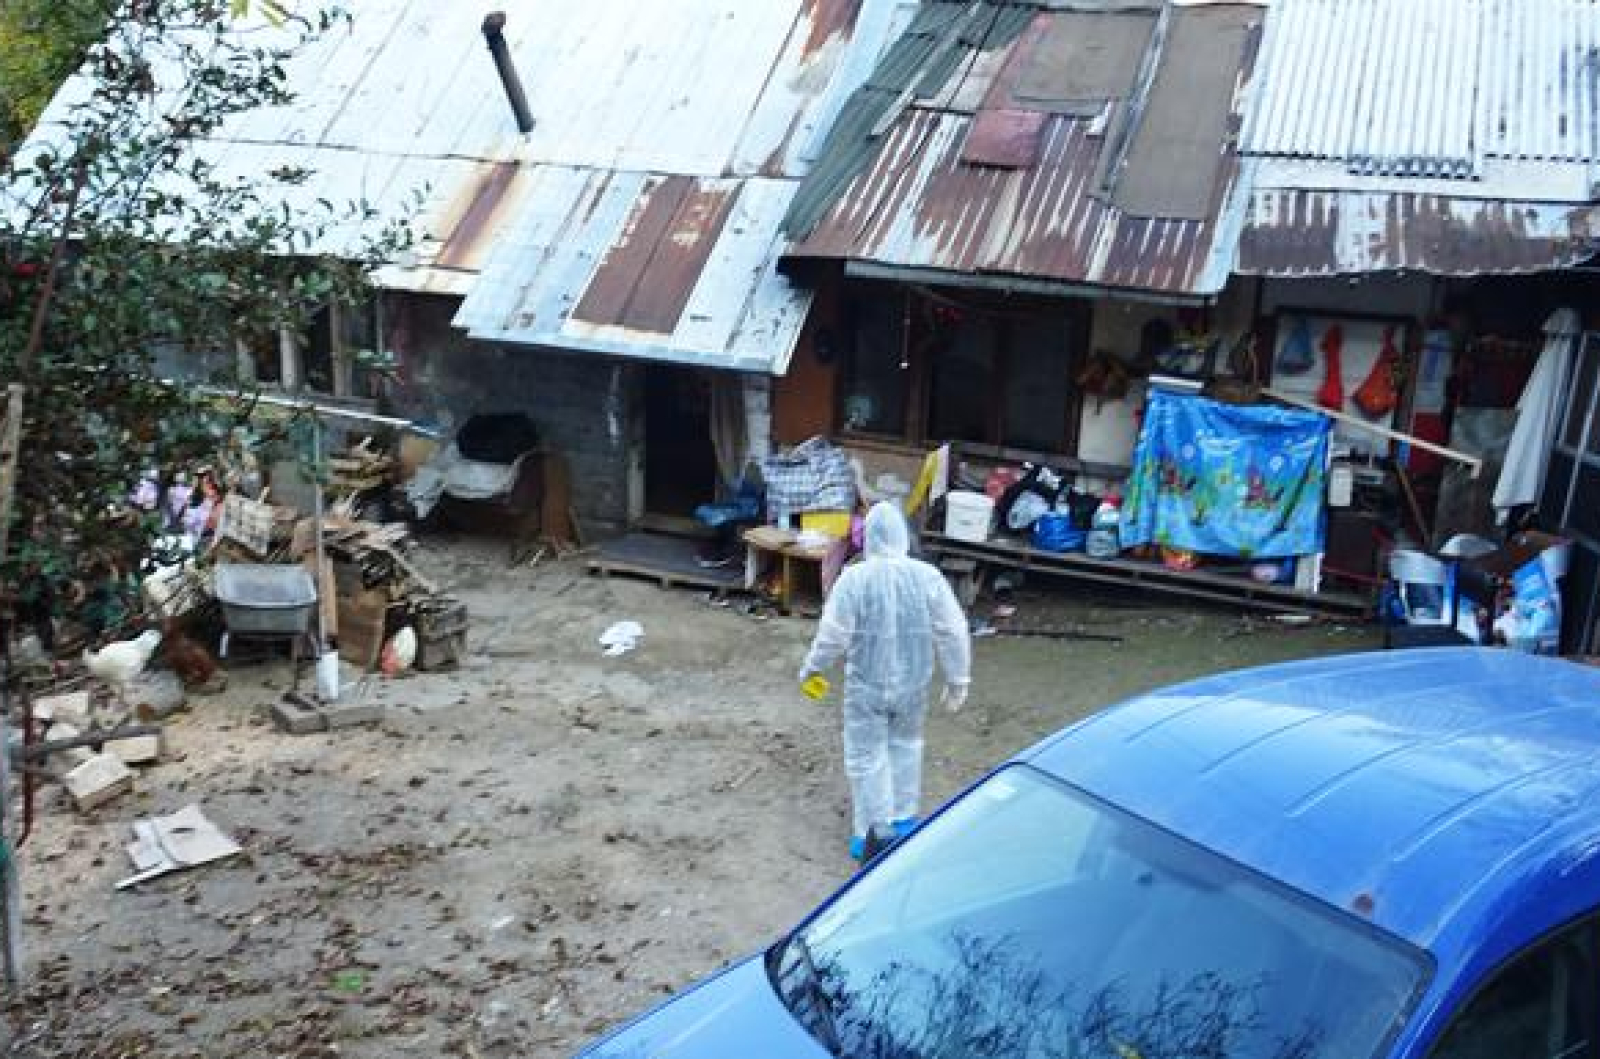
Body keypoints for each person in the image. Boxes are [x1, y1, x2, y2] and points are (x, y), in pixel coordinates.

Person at [798, 501, 971, 861]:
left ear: (869, 538)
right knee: (907, 745)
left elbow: (833, 634)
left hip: (867, 686)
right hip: (913, 683)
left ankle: (872, 832)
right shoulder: (927, 577)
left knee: (867, 756)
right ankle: (904, 819)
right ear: (903, 536)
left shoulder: (854, 579)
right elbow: (952, 629)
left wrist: (813, 668)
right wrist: (958, 678)